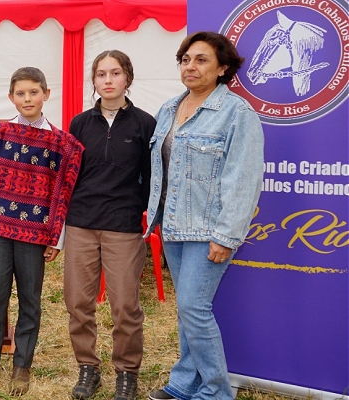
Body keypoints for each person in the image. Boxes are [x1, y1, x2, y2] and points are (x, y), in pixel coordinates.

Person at [146, 32, 264, 400]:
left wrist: (226, 236)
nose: (190, 67)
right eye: (185, 59)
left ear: (223, 68)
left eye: (201, 60)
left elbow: (244, 179)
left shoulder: (237, 113)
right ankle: (184, 382)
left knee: (193, 308)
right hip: (172, 224)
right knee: (186, 311)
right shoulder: (168, 109)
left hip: (208, 229)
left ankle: (216, 391)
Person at [0, 67, 84, 396]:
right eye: (20, 93)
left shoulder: (60, 144)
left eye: (34, 92)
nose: (27, 98)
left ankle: (22, 365)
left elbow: (61, 193)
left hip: (34, 236)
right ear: (11, 97)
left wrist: (56, 238)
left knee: (30, 301)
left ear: (46, 95)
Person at [62, 50, 156, 400]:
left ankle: (127, 372)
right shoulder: (80, 123)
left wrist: (142, 212)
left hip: (123, 225)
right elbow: (70, 174)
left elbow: (151, 177)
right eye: (101, 74)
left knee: (125, 306)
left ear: (127, 78)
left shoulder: (146, 123)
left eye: (115, 73)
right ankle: (88, 368)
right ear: (94, 80)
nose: (108, 80)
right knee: (78, 302)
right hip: (82, 223)